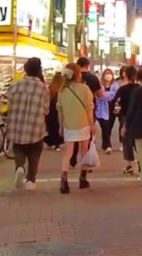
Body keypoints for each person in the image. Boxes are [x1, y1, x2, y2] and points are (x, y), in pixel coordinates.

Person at [7, 58, 49, 191]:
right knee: (34, 152)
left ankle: (19, 166)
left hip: (17, 124)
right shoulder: (43, 88)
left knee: (18, 148)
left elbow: (8, 101)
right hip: (35, 125)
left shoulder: (15, 85)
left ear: (25, 69)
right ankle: (31, 180)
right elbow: (46, 109)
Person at [57, 63, 96, 194]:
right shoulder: (85, 89)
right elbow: (89, 109)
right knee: (83, 151)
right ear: (78, 74)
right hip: (83, 124)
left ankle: (63, 181)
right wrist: (92, 125)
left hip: (68, 125)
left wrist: (61, 125)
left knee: (67, 153)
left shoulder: (62, 91)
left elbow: (60, 110)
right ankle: (82, 178)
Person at [111, 66, 139, 175]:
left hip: (125, 117)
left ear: (125, 75)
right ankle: (141, 163)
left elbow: (113, 101)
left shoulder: (122, 89)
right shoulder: (139, 88)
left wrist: (115, 109)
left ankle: (129, 165)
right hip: (138, 117)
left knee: (126, 141)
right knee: (138, 141)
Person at [44, 71, 65, 151]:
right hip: (57, 111)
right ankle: (57, 144)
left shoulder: (50, 89)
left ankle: (51, 142)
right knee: (58, 127)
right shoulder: (61, 90)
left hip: (49, 111)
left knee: (50, 127)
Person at [96, 69, 116, 154]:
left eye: (110, 74)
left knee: (108, 127)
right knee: (104, 126)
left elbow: (114, 95)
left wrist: (104, 95)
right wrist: (106, 95)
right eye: (106, 73)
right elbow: (99, 96)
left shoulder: (115, 85)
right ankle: (107, 145)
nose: (108, 75)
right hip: (101, 109)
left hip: (112, 108)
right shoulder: (100, 85)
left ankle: (106, 144)